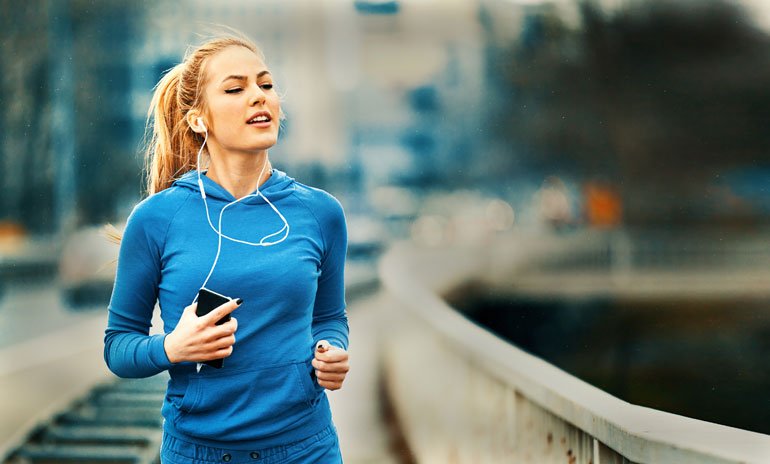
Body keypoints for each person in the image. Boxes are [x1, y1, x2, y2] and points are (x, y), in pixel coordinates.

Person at [104, 33, 350, 463]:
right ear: (199, 120)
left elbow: (329, 317)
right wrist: (171, 348)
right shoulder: (156, 219)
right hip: (199, 452)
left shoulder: (321, 213)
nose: (258, 97)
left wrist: (331, 349)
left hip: (306, 449)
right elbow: (118, 347)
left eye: (266, 85)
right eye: (236, 89)